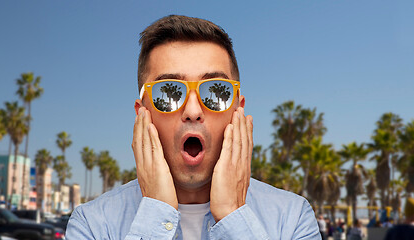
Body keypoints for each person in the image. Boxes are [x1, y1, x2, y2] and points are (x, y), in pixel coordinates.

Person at [66, 15, 321, 240]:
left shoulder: (292, 218)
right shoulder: (92, 225)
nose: (193, 112)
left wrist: (233, 217)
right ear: (142, 113)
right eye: (168, 93)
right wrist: (156, 214)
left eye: (215, 93)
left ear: (237, 110)